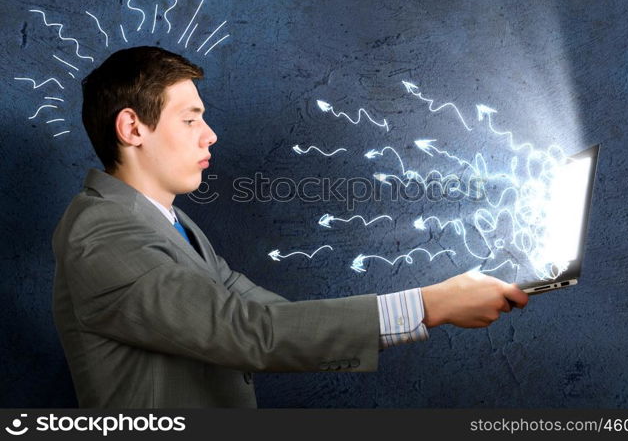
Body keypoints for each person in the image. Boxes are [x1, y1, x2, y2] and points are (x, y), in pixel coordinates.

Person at [52, 46, 529, 408]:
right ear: (133, 128)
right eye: (190, 118)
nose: (209, 134)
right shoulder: (103, 233)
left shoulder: (173, 225)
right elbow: (248, 332)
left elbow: (277, 321)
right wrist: (430, 305)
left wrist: (432, 303)